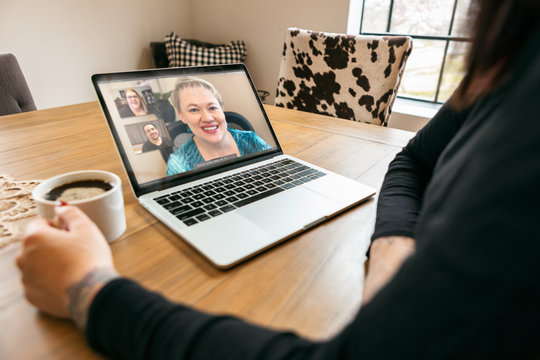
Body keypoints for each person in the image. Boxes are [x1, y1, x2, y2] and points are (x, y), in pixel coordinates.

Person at [15, 0, 540, 358]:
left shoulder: (251, 144)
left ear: (224, 108)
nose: (207, 115)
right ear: (183, 119)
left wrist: (91, 294)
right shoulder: (514, 62)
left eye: (213, 104)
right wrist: (392, 248)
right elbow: (412, 162)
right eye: (193, 110)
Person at [165, 77, 271, 175]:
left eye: (212, 108)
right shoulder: (178, 164)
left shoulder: (250, 139)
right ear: (182, 116)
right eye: (194, 110)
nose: (208, 118)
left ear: (221, 108)